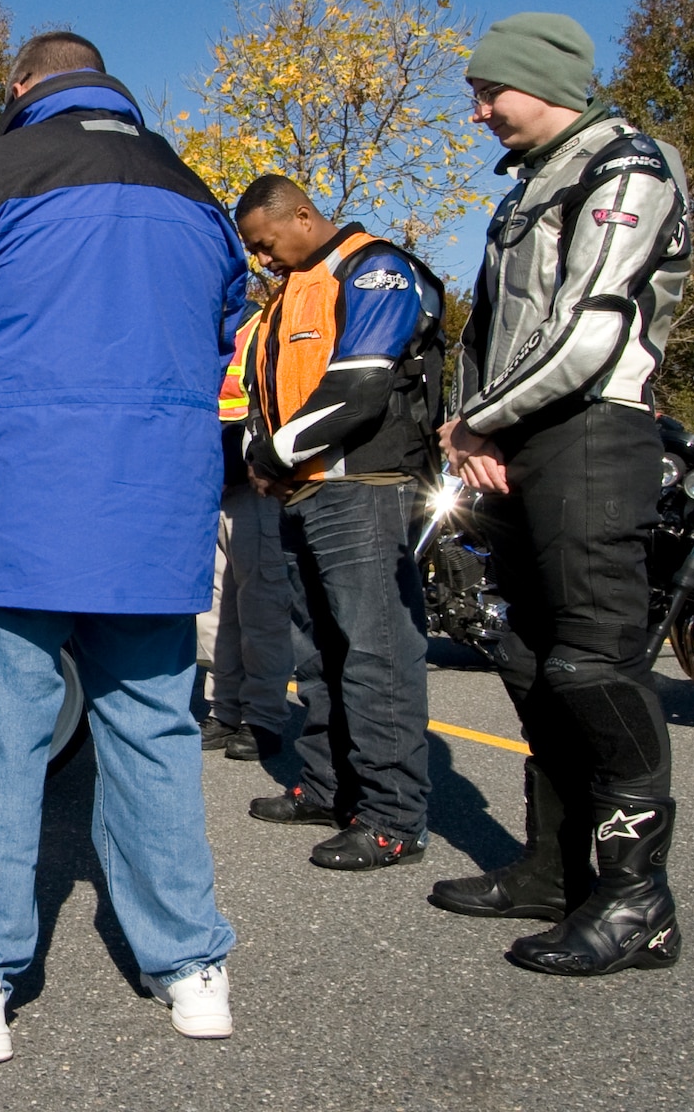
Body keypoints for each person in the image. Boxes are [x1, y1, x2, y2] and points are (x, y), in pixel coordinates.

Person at [0, 31, 245, 1062]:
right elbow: (221, 340)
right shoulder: (198, 199)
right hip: (152, 508)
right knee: (154, 735)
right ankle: (192, 970)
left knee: (1, 743)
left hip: (17, 507)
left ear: (22, 85)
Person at [431, 13, 691, 976]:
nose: (481, 110)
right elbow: (488, 333)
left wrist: (483, 420)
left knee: (591, 666)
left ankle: (638, 904)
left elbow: (589, 330)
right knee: (529, 659)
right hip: (516, 440)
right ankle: (551, 871)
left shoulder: (626, 165)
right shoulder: (527, 186)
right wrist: (476, 428)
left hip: (591, 433)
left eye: (491, 90)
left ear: (546, 80)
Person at [235, 175, 444, 872]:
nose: (264, 259)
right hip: (301, 492)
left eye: (267, 243)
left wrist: (271, 452)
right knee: (317, 658)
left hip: (363, 489)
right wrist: (261, 457)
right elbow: (254, 395)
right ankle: (330, 788)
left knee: (377, 655)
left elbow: (359, 385)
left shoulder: (374, 269)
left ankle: (391, 818)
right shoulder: (286, 293)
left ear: (301, 214)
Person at [197, 304, 295, 762]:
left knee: (261, 609)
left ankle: (264, 718)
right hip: (208, 489)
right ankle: (224, 710)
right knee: (214, 612)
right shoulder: (194, 326)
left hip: (253, 487)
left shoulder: (262, 324)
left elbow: (269, 408)